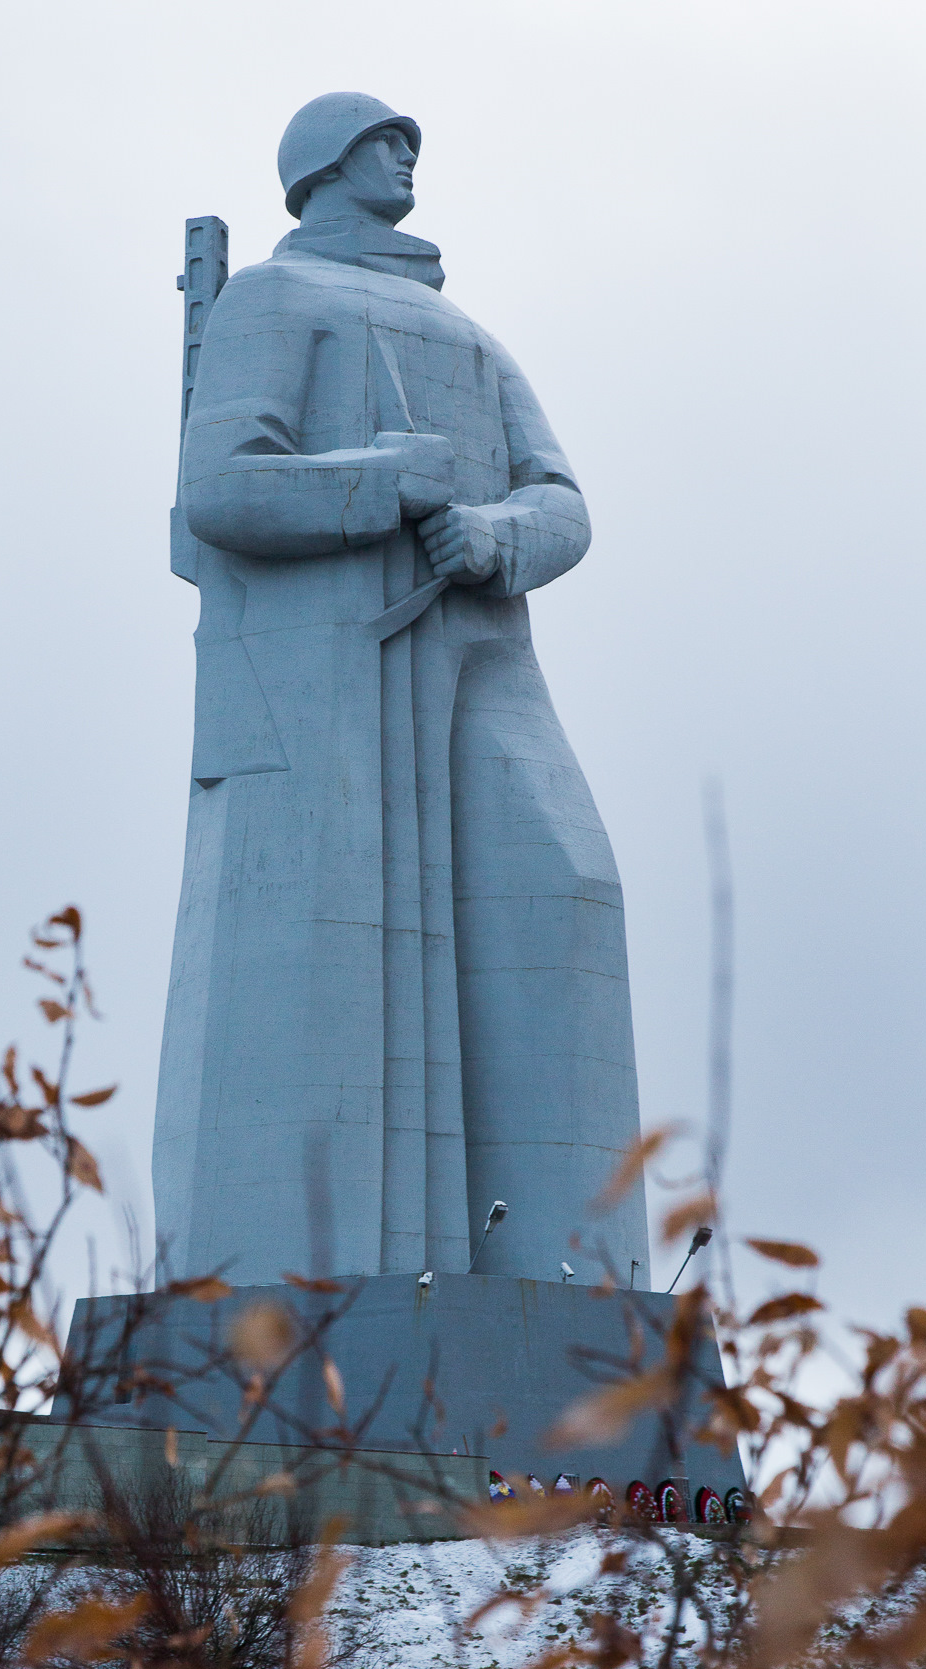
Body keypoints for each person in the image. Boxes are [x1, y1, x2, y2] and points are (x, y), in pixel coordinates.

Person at [154, 93, 650, 1289]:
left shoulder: (469, 336)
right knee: (330, 958)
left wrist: (487, 532)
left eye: (410, 139)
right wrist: (381, 485)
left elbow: (563, 502)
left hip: (479, 653)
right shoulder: (274, 301)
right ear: (321, 166)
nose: (407, 154)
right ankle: (306, 1282)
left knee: (562, 882)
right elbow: (221, 487)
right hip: (328, 669)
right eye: (386, 138)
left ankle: (576, 1289)